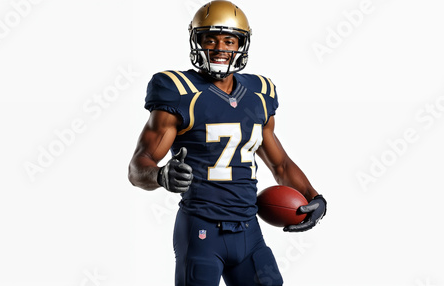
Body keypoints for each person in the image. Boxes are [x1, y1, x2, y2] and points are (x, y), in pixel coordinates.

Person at [128, 1, 327, 285]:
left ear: (241, 45)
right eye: (210, 39)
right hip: (201, 232)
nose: (220, 47)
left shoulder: (259, 93)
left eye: (229, 40)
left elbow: (279, 163)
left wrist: (314, 197)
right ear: (196, 41)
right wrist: (160, 175)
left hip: (249, 231)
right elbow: (137, 167)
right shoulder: (179, 91)